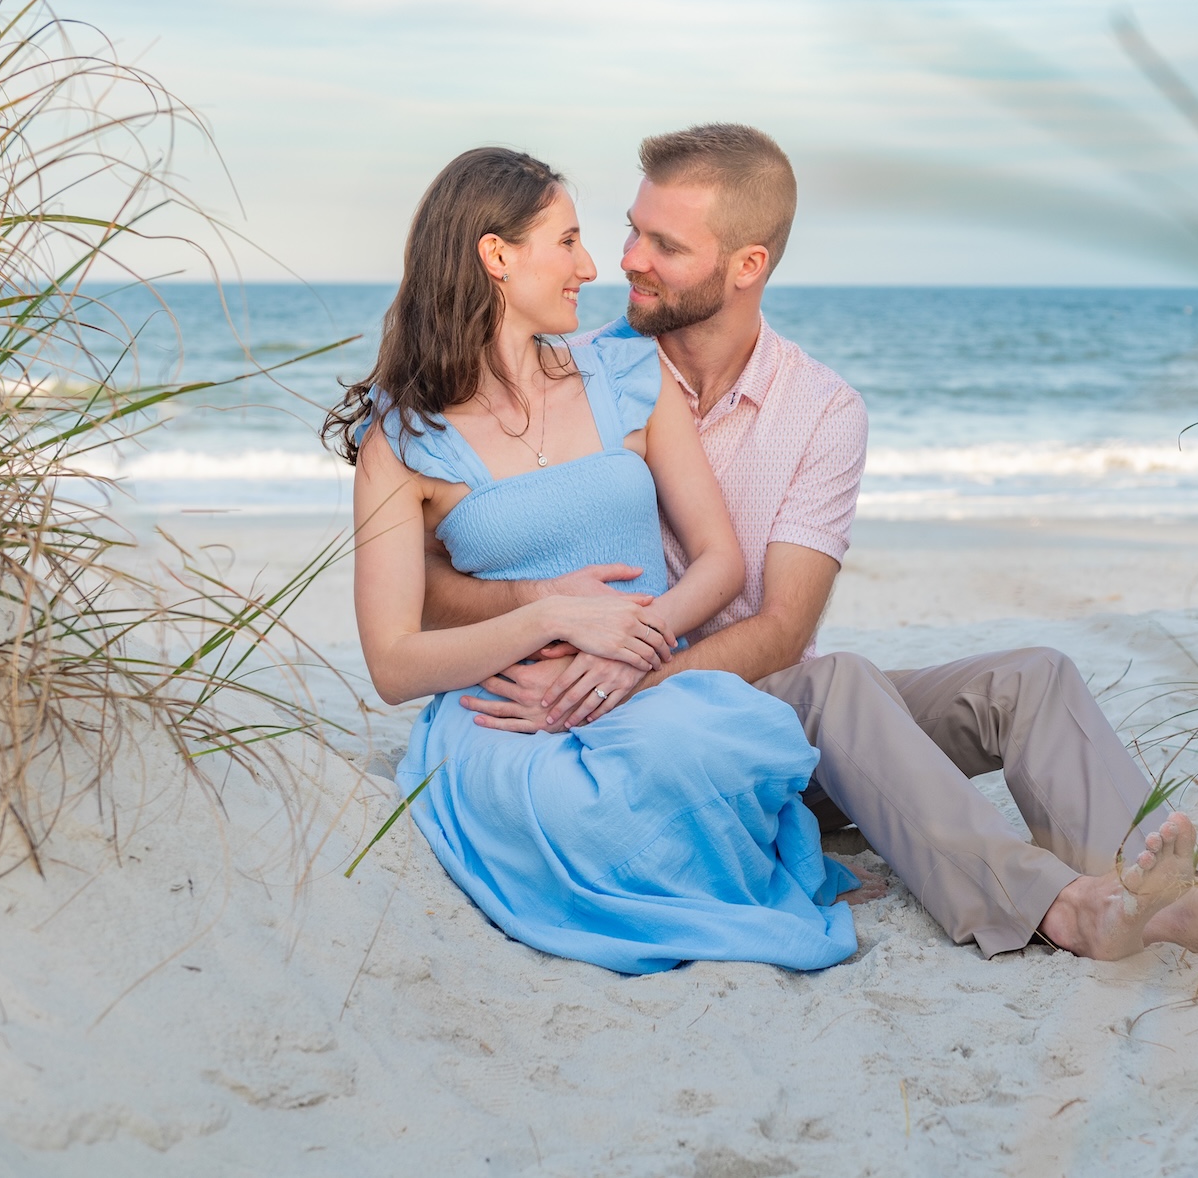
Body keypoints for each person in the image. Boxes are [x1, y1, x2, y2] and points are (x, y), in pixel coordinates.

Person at [426, 124, 1198, 963]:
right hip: (676, 739)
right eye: (631, 232)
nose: (626, 260)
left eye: (665, 245)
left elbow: (781, 631)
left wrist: (628, 673)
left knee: (1032, 676)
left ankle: (1150, 893)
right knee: (838, 682)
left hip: (762, 706)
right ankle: (1061, 908)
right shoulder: (576, 369)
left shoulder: (821, 410)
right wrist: (550, 632)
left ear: (748, 265)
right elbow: (455, 546)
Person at [325, 147, 884, 975]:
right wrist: (546, 614)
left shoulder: (627, 374)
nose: (594, 267)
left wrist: (634, 645)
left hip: (642, 680)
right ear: (497, 257)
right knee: (566, 802)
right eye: (569, 242)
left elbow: (720, 563)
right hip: (507, 708)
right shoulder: (401, 444)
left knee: (706, 746)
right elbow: (395, 663)